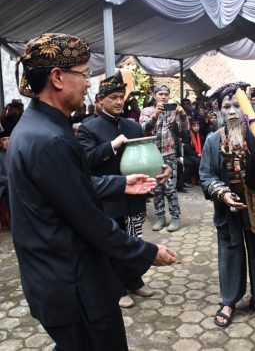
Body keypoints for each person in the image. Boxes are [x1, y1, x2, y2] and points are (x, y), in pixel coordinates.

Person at [8, 33, 177, 351]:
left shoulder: (36, 128)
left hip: (52, 279)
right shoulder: (51, 139)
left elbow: (67, 190)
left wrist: (121, 183)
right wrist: (145, 252)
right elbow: (88, 218)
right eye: (84, 74)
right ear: (58, 77)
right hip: (73, 285)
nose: (88, 84)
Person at [78, 70, 172, 308]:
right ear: (100, 101)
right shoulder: (90, 128)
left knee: (134, 237)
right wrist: (111, 145)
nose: (119, 101)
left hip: (135, 198)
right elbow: (85, 162)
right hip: (109, 198)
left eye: (121, 96)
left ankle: (133, 280)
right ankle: (116, 287)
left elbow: (146, 155)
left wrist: (162, 169)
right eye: (113, 98)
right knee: (113, 243)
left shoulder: (132, 126)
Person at [199, 82, 255, 328]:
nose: (232, 110)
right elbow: (206, 175)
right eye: (227, 106)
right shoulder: (213, 140)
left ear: (247, 109)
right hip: (227, 205)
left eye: (237, 105)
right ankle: (229, 300)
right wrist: (222, 194)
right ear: (220, 111)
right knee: (230, 251)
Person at [139, 84, 189, 232]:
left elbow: (184, 129)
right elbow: (143, 129)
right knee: (156, 188)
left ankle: (175, 218)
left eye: (166, 94)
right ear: (154, 96)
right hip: (152, 156)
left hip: (169, 154)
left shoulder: (174, 110)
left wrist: (183, 114)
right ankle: (160, 218)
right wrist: (155, 115)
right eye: (160, 94)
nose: (163, 96)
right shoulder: (147, 111)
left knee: (170, 188)